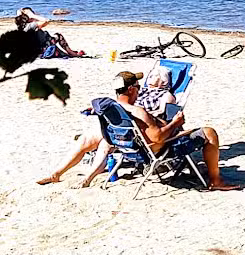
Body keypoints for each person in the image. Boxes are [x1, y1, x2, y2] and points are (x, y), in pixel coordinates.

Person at [35, 71, 233, 188]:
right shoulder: (138, 111)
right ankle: (215, 180)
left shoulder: (109, 108)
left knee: (88, 139)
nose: (140, 88)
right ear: (130, 90)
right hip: (152, 152)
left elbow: (95, 107)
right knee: (209, 132)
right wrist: (175, 122)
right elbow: (156, 138)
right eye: (137, 86)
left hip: (124, 147)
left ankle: (57, 173)